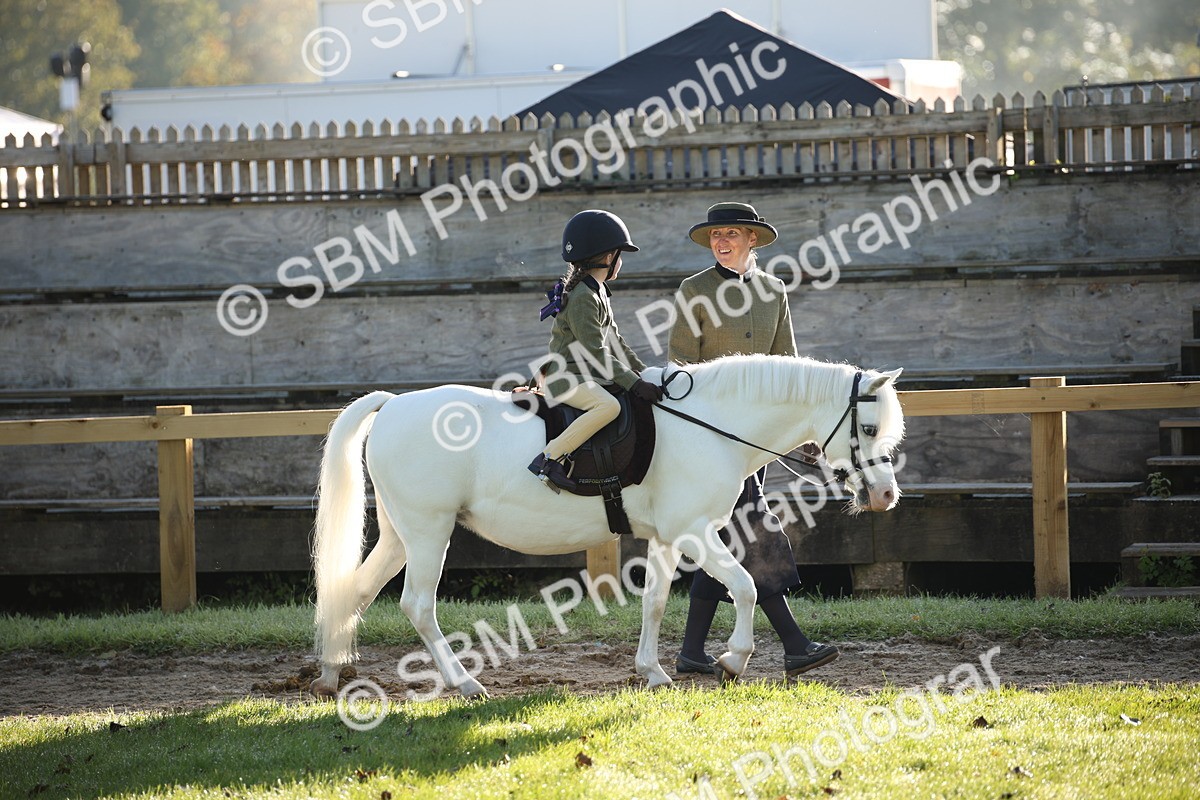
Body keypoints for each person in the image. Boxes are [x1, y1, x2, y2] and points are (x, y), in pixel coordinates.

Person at [668, 201, 839, 678]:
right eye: (715, 235)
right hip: (709, 440)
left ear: (753, 241)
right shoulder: (693, 290)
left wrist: (805, 430)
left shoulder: (774, 291)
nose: (721, 241)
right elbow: (681, 368)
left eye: (731, 234)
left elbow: (790, 368)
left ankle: (691, 652)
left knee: (724, 537)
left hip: (757, 444)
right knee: (751, 529)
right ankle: (795, 643)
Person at [529, 209, 663, 493]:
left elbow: (616, 341)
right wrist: (634, 383)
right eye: (620, 255)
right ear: (608, 257)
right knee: (609, 406)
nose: (621, 262)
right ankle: (550, 460)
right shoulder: (582, 298)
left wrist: (646, 373)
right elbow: (596, 352)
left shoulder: (598, 291)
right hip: (564, 378)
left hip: (585, 376)